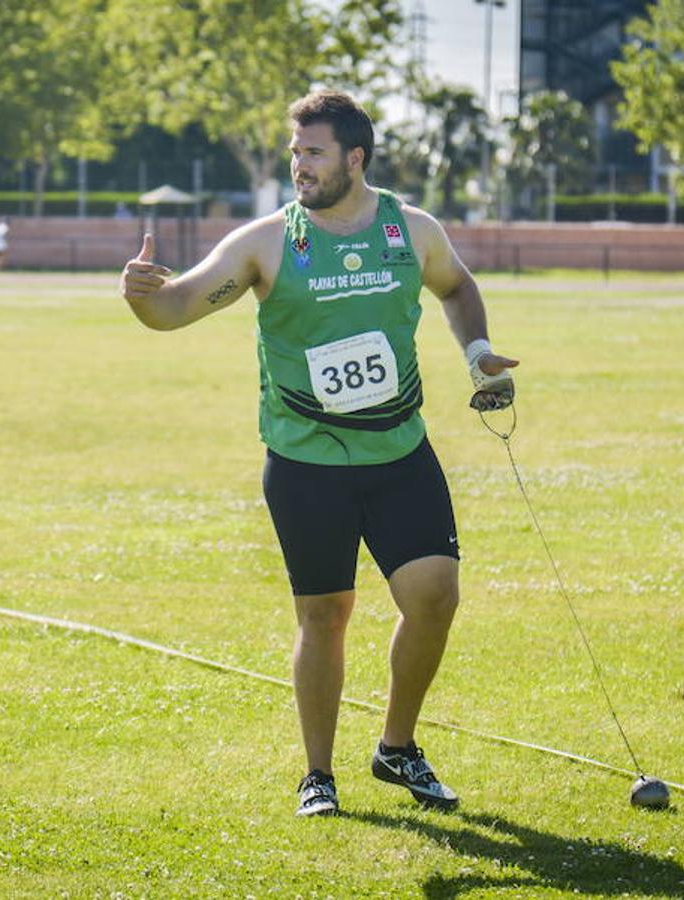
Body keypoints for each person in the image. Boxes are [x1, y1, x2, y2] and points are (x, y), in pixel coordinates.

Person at [119, 90, 518, 817]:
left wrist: (480, 353)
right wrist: (143, 295)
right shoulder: (266, 242)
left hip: (400, 453)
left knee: (434, 595)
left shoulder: (410, 229)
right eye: (295, 152)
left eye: (314, 152)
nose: (298, 165)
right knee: (327, 614)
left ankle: (397, 749)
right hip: (306, 465)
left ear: (354, 158)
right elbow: (178, 305)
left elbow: (456, 288)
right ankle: (318, 776)